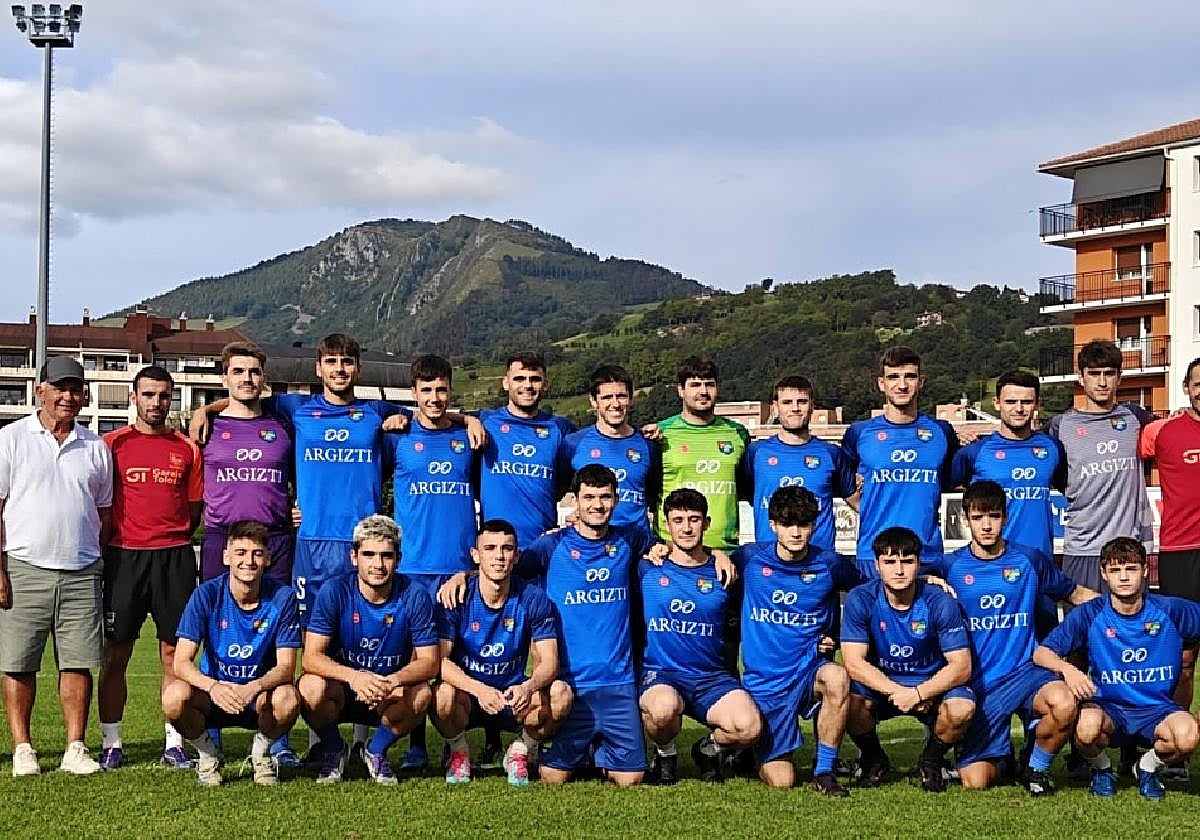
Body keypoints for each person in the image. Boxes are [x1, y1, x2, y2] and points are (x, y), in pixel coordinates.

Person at [925, 480, 1097, 794]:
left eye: (993, 516)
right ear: (966, 520)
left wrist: (1127, 606)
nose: (986, 525)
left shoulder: (1030, 560)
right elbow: (905, 577)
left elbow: (1074, 593)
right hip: (979, 681)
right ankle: (1006, 760)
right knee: (975, 782)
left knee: (1064, 702)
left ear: (1005, 517)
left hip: (1026, 672)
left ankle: (1035, 768)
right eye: (978, 518)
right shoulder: (949, 565)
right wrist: (927, 580)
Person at [0, 356, 112, 776]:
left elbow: (104, 512)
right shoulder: (10, 439)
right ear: (39, 389)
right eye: (60, 387)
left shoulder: (96, 447)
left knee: (77, 662)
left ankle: (75, 747)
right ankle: (23, 749)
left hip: (82, 571)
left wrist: (92, 559)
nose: (69, 396)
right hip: (23, 566)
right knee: (18, 662)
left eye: (76, 389)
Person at [1034, 537, 1200, 800]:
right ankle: (1103, 769)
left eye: (1131, 569)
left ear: (1145, 571)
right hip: (1109, 710)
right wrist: (1069, 670)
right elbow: (1042, 653)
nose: (1123, 577)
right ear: (1104, 574)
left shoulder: (1170, 610)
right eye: (1115, 570)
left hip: (1157, 709)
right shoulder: (1091, 613)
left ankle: (1146, 767)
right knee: (1086, 728)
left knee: (1188, 736)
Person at [99, 365, 204, 770]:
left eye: (164, 396)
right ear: (133, 397)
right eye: (149, 395)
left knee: (173, 652)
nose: (157, 403)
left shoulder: (186, 448)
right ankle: (111, 743)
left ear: (172, 398)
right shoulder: (111, 444)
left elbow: (193, 509)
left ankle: (174, 743)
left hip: (174, 557)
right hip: (123, 557)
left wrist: (168, 537)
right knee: (116, 653)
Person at [384, 353, 479, 768]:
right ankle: (416, 746)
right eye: (427, 390)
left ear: (450, 391)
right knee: (415, 660)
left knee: (460, 656)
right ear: (414, 393)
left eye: (442, 389)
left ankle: (461, 740)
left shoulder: (469, 440)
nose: (435, 397)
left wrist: (468, 418)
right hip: (411, 568)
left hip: (457, 566)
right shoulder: (397, 438)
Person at [733, 486, 861, 795]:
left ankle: (825, 770)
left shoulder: (830, 564)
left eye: (803, 524)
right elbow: (703, 566)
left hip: (808, 672)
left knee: (837, 677)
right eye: (788, 524)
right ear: (773, 524)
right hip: (765, 685)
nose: (796, 532)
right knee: (782, 780)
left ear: (814, 525)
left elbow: (865, 597)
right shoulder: (748, 559)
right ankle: (746, 748)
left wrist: (836, 634)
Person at [298, 515, 439, 784]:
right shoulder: (335, 590)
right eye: (369, 554)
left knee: (421, 693)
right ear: (354, 557)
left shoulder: (415, 594)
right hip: (344, 689)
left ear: (398, 558)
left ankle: (375, 752)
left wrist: (392, 681)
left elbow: (430, 662)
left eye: (386, 556)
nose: (378, 564)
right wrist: (355, 677)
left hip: (388, 690)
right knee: (309, 688)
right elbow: (311, 656)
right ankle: (334, 749)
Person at [431, 519, 572, 787]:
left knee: (561, 693)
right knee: (441, 696)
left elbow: (550, 662)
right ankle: (459, 752)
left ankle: (520, 751)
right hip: (470, 697)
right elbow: (439, 661)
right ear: (475, 555)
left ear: (517, 555)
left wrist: (528, 687)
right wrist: (478, 690)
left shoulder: (533, 598)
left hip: (512, 697)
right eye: (490, 548)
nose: (499, 556)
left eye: (507, 549)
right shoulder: (455, 596)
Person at [163, 520, 301, 787]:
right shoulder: (206, 594)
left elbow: (286, 668)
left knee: (288, 698)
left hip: (258, 696)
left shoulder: (283, 597)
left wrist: (253, 688)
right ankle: (208, 754)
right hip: (215, 695)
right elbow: (180, 663)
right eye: (240, 553)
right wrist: (213, 687)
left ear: (268, 559)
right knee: (173, 697)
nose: (248, 561)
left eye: (257, 554)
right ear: (226, 556)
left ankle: (260, 755)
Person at [638, 489, 760, 784]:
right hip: (663, 674)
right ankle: (665, 754)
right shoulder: (646, 567)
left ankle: (708, 749)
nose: (686, 527)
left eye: (694, 519)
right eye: (678, 520)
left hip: (711, 678)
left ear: (706, 523)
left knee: (749, 727)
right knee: (663, 709)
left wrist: (719, 553)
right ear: (666, 525)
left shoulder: (726, 572)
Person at [841, 526, 974, 792]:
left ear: (919, 564)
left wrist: (920, 692)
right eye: (890, 562)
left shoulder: (940, 601)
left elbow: (962, 666)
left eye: (907, 561)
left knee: (962, 708)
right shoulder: (861, 598)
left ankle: (931, 760)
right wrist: (898, 692)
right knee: (846, 700)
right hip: (885, 687)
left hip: (931, 686)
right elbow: (853, 662)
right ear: (877, 565)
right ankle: (873, 758)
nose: (899, 570)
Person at [1044, 339, 1154, 596]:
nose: (1102, 382)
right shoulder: (1060, 427)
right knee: (1083, 631)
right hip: (1082, 550)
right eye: (1094, 374)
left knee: (1131, 632)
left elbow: (1172, 435)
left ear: (1119, 378)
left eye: (1109, 374)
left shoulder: (1135, 417)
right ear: (1080, 377)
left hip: (1128, 551)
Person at [841, 346, 958, 574]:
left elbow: (950, 480)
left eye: (910, 377)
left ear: (921, 382)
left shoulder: (941, 432)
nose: (902, 385)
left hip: (927, 555)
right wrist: (863, 505)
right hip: (873, 554)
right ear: (881, 384)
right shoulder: (859, 432)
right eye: (893, 377)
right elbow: (839, 479)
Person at [199, 342, 294, 584]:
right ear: (224, 379)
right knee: (218, 615)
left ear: (264, 379)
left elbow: (305, 473)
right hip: (222, 536)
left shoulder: (284, 426)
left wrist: (303, 504)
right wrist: (204, 411)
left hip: (274, 537)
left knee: (276, 615)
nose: (247, 378)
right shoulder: (206, 429)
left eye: (254, 372)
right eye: (238, 371)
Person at [950, 371, 1066, 565]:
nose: (1018, 409)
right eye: (1011, 402)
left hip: (1040, 563)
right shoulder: (975, 452)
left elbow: (1069, 488)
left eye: (1026, 402)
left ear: (1037, 404)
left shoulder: (1052, 448)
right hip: (992, 564)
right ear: (997, 403)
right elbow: (946, 485)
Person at [1139, 356, 1200, 716]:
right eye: (1198, 384)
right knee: (1185, 657)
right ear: (1187, 389)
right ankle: (1174, 749)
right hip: (1181, 552)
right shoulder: (1160, 432)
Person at [739, 375, 855, 550]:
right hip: (769, 560)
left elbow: (855, 499)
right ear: (775, 408)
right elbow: (748, 494)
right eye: (787, 403)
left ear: (812, 407)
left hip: (819, 560)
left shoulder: (831, 453)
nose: (795, 408)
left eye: (802, 402)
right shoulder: (756, 452)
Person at [478, 350, 575, 549]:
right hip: (496, 551)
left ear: (545, 384)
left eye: (535, 379)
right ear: (506, 383)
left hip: (544, 547)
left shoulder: (561, 428)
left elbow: (581, 477)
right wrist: (466, 419)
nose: (527, 385)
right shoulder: (485, 422)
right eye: (519, 378)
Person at [655, 356, 750, 552]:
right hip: (674, 552)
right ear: (680, 390)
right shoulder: (661, 434)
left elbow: (747, 487)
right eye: (695, 385)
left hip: (726, 551)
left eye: (709, 384)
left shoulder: (738, 434)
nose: (703, 391)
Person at [563, 364, 661, 539]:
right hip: (592, 544)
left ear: (631, 399)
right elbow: (559, 491)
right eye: (607, 397)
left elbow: (655, 497)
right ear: (594, 401)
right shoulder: (573, 444)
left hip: (637, 546)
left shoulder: (649, 445)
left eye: (621, 396)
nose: (615, 404)